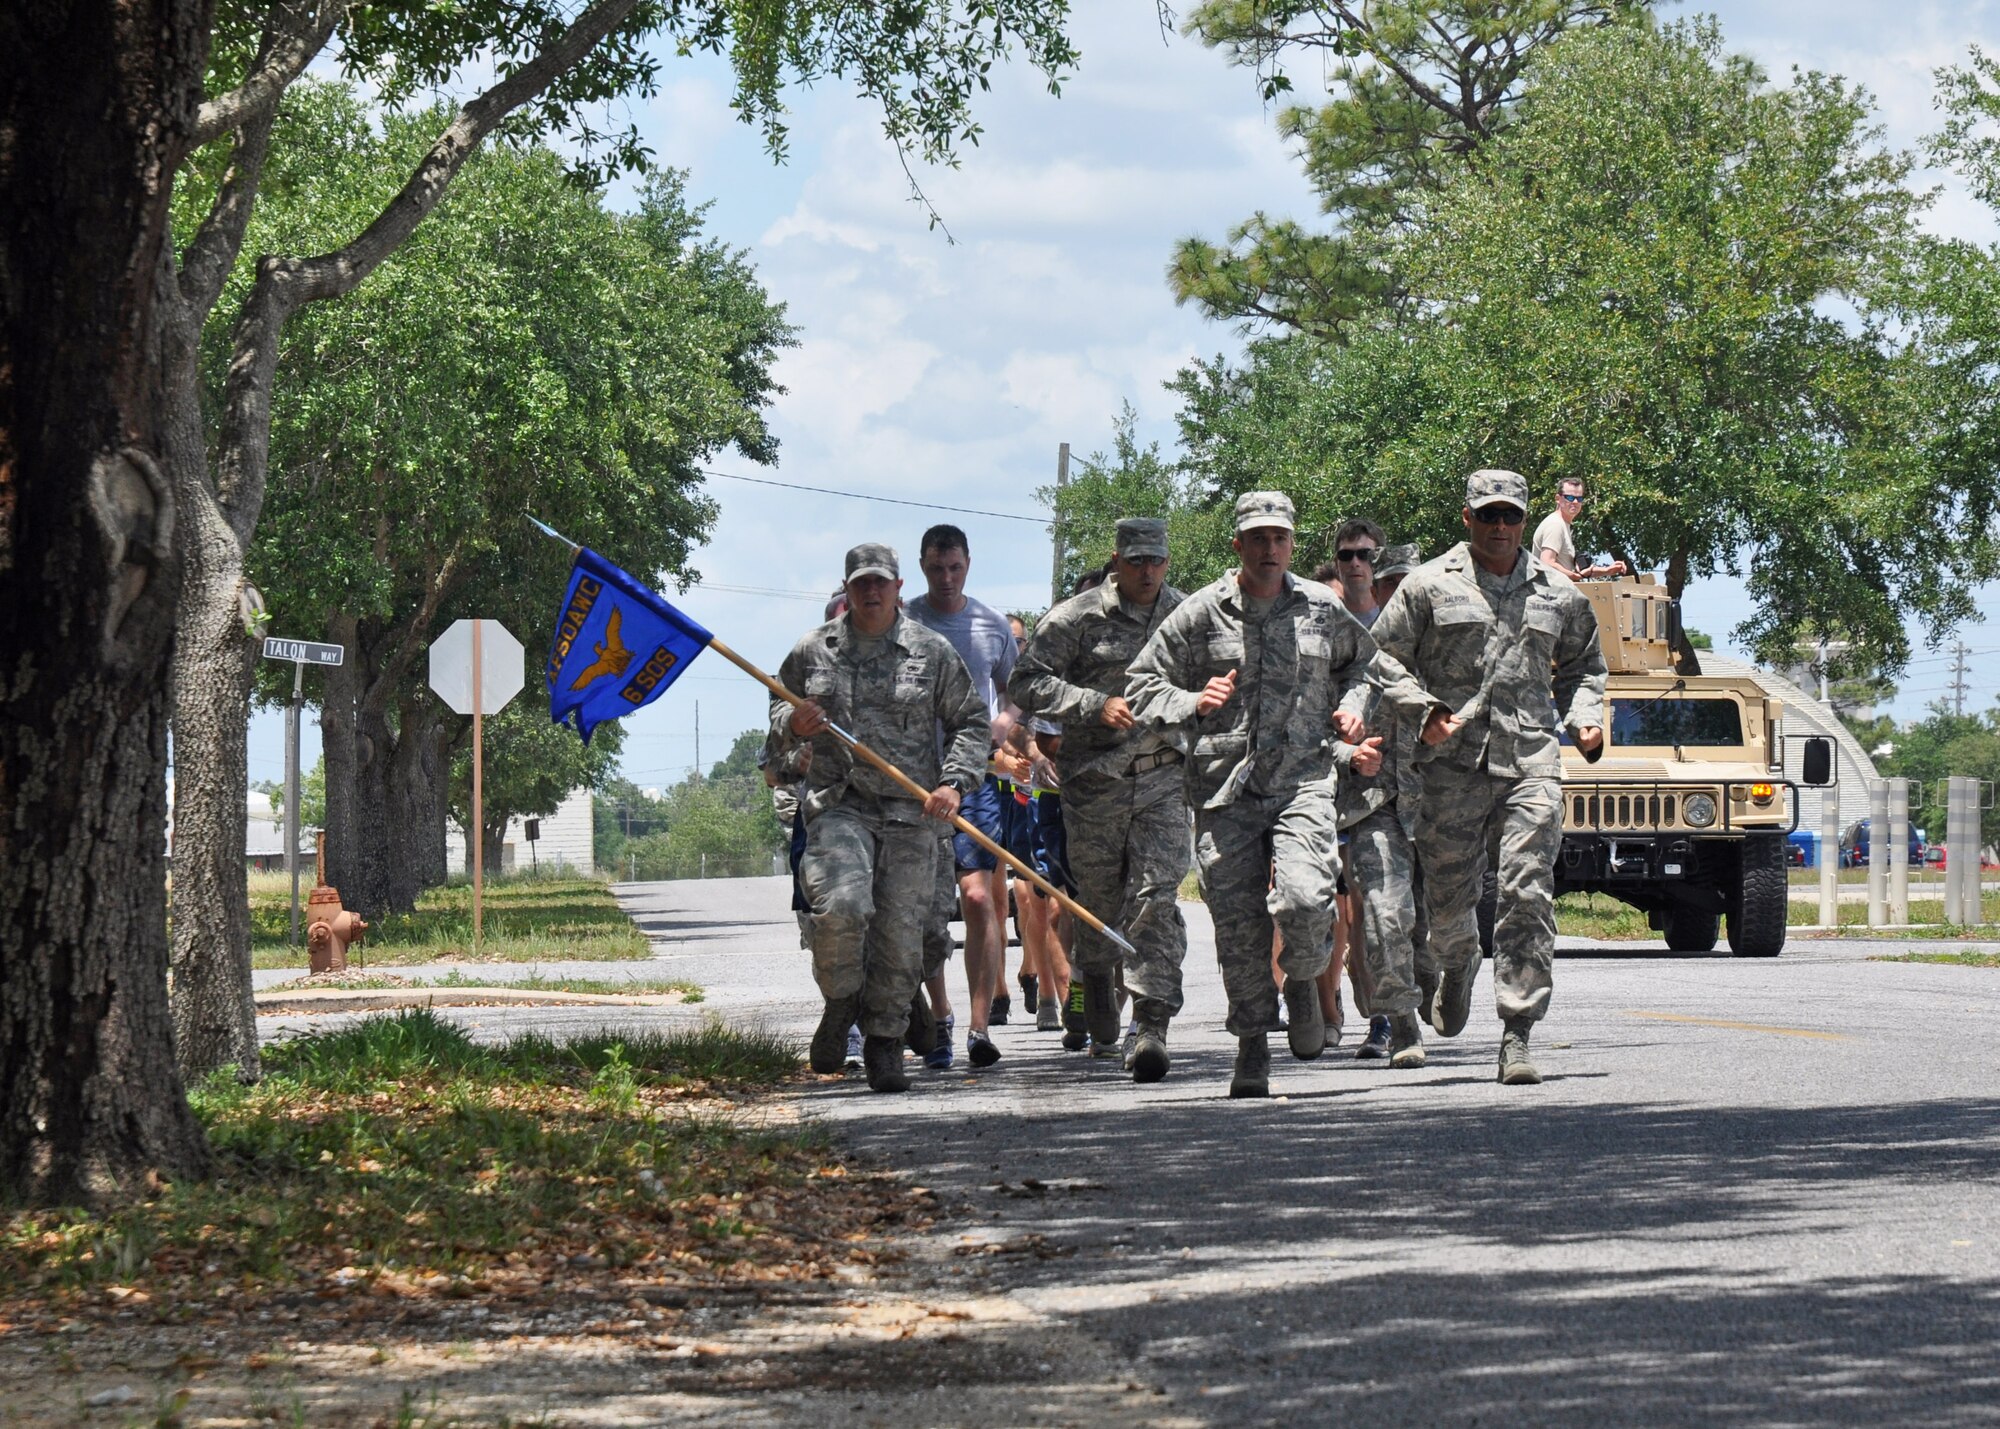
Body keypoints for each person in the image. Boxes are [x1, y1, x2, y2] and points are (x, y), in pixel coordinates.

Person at [1127, 492, 1446, 1097]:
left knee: (1305, 899)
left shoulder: (1321, 607)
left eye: (1279, 537)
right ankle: (1252, 1046)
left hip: (1304, 780)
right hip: (1227, 791)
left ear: (1292, 544)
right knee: (1239, 929)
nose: (1269, 548)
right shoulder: (1200, 614)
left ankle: (1302, 977)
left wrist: (1351, 711)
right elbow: (1142, 683)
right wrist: (1193, 702)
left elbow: (1368, 666)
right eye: (1257, 537)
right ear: (1238, 545)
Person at [1370, 470, 1608, 1085]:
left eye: (1511, 517)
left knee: (1527, 890)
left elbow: (1585, 666)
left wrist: (1584, 719)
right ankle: (1455, 962)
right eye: (1489, 516)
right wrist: (1423, 714)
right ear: (1468, 518)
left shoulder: (1558, 591)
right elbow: (1379, 659)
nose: (1500, 527)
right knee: (1449, 909)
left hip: (1530, 759)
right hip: (1452, 768)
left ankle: (1518, 1032)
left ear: (1525, 521)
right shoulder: (1427, 586)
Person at [766, 543, 989, 1093]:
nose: (870, 592)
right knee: (841, 908)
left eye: (880, 582)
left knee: (904, 934)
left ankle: (885, 1041)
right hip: (840, 805)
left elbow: (971, 721)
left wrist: (953, 783)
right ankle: (843, 1002)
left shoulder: (930, 651)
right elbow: (776, 713)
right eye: (861, 583)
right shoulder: (812, 651)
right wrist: (795, 725)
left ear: (896, 588)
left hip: (912, 812)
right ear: (848, 589)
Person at [1010, 517, 1191, 1080]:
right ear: (1117, 560)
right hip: (1095, 785)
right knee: (1100, 905)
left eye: (1155, 561)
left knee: (1156, 898)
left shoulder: (1186, 615)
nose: (1146, 572)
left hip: (1163, 779)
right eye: (1135, 561)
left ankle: (1152, 1022)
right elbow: (1025, 682)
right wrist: (1090, 703)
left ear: (1167, 561)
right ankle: (1093, 989)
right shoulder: (1076, 617)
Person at [905, 523, 1022, 1070]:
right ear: (923, 567)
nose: (946, 578)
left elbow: (1022, 690)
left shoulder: (990, 625)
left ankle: (980, 1026)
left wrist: (1005, 720)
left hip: (974, 778)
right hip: (913, 781)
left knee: (979, 899)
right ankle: (942, 1016)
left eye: (955, 568)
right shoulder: (902, 621)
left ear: (968, 565)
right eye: (936, 569)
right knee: (926, 911)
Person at [1329, 542, 1432, 1068]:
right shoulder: (1353, 655)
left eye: (1408, 587)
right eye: (1390, 587)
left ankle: (1431, 984)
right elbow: (1312, 729)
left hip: (1440, 810)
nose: (1399, 598)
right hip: (1374, 805)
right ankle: (1401, 1025)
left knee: (1435, 933)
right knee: (1386, 918)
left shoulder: (1449, 654)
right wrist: (1348, 751)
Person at [1532, 477, 1629, 581]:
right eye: (1569, 497)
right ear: (1558, 499)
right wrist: (1576, 577)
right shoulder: (1555, 524)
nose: (1575, 501)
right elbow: (1547, 563)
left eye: (1579, 499)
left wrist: (1607, 570)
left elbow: (1570, 570)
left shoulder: (1563, 525)